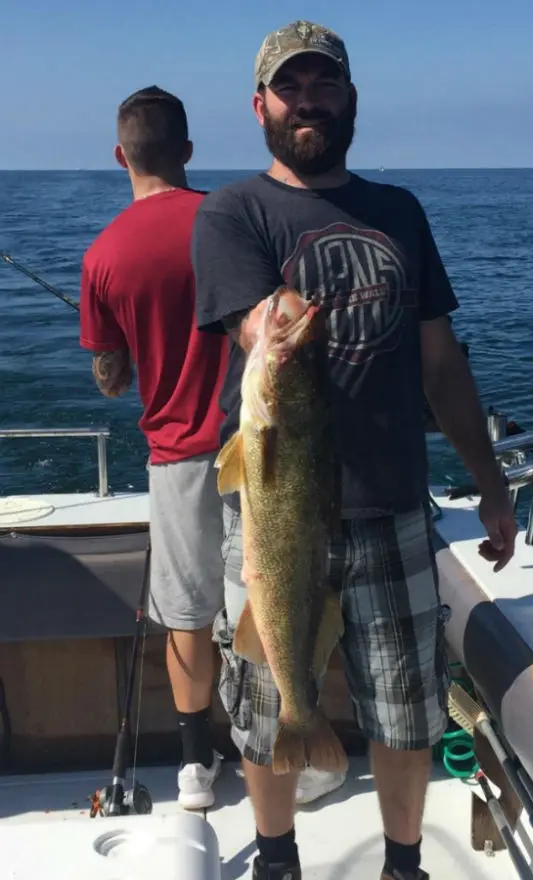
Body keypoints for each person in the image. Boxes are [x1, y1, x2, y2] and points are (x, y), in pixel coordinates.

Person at [192, 20, 517, 880]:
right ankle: (275, 855)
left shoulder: (400, 211)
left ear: (350, 99)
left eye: (323, 85)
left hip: (393, 503)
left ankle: (402, 863)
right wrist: (277, 330)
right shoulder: (233, 212)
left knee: (407, 712)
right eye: (289, 87)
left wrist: (490, 482)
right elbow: (249, 326)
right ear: (259, 104)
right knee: (268, 703)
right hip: (276, 512)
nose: (308, 102)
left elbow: (441, 363)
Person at [78, 86, 229, 810]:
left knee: (189, 613)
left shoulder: (102, 255)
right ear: (188, 151)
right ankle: (288, 750)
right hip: (255, 448)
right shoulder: (230, 224)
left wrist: (125, 357)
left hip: (177, 460)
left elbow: (110, 376)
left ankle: (196, 766)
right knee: (265, 600)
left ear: (120, 155)